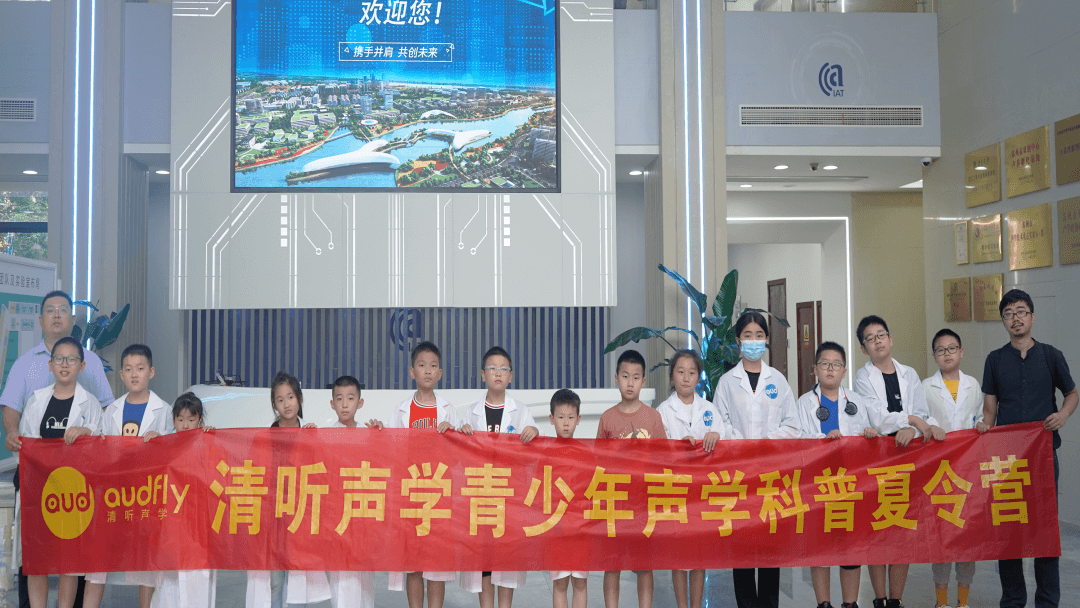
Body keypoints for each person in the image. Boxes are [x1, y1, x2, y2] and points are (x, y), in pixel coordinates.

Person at [1, 291, 113, 608]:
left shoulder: (91, 369)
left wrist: (90, 433)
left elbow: (107, 420)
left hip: (76, 486)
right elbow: (14, 415)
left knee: (71, 555)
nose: (57, 315)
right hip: (37, 482)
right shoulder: (27, 373)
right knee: (35, 553)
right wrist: (13, 435)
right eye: (50, 310)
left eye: (63, 310)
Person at [977, 289, 1076, 608]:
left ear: (1032, 316)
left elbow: (1072, 393)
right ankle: (1013, 600)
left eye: (1021, 311)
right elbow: (989, 409)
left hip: (1042, 458)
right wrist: (983, 425)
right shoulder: (994, 360)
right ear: (1003, 321)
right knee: (1008, 531)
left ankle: (1047, 601)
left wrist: (1063, 414)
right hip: (1005, 461)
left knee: (1045, 529)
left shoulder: (1051, 355)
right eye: (1008, 313)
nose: (1015, 318)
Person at [852, 315, 944, 608]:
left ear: (890, 339)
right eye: (870, 338)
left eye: (881, 335)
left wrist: (914, 427)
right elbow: (877, 417)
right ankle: (879, 598)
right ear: (864, 348)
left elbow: (922, 413)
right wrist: (911, 421)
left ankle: (896, 599)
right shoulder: (863, 377)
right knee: (878, 527)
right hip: (878, 459)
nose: (877, 341)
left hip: (908, 458)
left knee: (902, 529)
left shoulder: (910, 374)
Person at [712, 311, 800, 608]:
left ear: (766, 340)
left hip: (771, 476)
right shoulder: (727, 382)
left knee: (769, 545)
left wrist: (765, 443)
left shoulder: (778, 380)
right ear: (738, 341)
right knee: (743, 548)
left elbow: (793, 425)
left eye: (759, 335)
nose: (753, 341)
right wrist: (741, 444)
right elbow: (719, 423)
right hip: (739, 476)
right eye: (747, 336)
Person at [84, 344, 174, 608]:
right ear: (121, 374)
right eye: (128, 369)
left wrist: (162, 440)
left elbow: (176, 447)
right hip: (114, 496)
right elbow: (99, 449)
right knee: (97, 563)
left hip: (146, 496)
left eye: (140, 368)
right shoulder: (111, 410)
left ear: (151, 372)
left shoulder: (164, 410)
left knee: (147, 566)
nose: (134, 374)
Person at [794, 341, 879, 608]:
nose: (830, 369)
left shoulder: (856, 400)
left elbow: (866, 435)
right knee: (819, 548)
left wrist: (869, 433)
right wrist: (822, 439)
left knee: (850, 548)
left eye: (836, 364)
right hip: (818, 484)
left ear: (844, 370)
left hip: (851, 484)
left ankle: (850, 603)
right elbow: (797, 440)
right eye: (824, 364)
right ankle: (824, 603)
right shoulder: (804, 402)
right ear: (815, 369)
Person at [459, 346, 540, 608]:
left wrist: (534, 432)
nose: (498, 373)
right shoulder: (471, 413)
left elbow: (534, 452)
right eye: (492, 368)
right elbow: (459, 456)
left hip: (508, 495)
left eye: (503, 369)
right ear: (483, 374)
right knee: (484, 560)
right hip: (481, 495)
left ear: (511, 376)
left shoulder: (521, 412)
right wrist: (462, 434)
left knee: (506, 558)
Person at [385, 341, 460, 607]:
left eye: (433, 366)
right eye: (421, 365)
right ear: (412, 371)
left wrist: (453, 434)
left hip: (438, 494)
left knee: (437, 562)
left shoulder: (449, 410)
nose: (427, 370)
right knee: (413, 562)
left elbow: (459, 455)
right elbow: (389, 449)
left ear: (440, 373)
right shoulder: (402, 410)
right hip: (411, 494)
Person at [247, 371, 328, 608]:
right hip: (271, 517)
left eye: (290, 397)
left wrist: (314, 439)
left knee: (297, 579)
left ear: (300, 398)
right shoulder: (264, 436)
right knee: (274, 580)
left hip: (299, 514)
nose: (286, 404)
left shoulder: (311, 433)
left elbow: (322, 472)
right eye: (280, 400)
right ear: (274, 404)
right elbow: (253, 472)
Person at [655, 349, 724, 608]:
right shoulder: (663, 411)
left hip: (703, 492)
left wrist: (716, 436)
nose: (686, 378)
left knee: (699, 554)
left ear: (699, 377)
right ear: (672, 376)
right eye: (680, 372)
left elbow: (727, 446)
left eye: (692, 373)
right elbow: (657, 451)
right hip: (676, 491)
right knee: (679, 555)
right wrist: (677, 447)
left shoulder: (709, 409)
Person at [596, 349, 664, 608]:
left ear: (643, 381)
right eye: (625, 376)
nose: (630, 382)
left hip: (643, 503)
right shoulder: (608, 418)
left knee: (644, 566)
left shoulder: (653, 417)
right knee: (611, 564)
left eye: (636, 377)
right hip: (614, 502)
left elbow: (664, 459)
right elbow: (597, 462)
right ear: (616, 378)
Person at [922, 329, 981, 608]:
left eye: (952, 348)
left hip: (968, 472)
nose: (947, 354)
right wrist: (929, 426)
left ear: (961, 352)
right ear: (934, 355)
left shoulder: (973, 385)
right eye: (941, 350)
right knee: (942, 540)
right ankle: (942, 601)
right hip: (940, 474)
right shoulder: (925, 387)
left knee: (968, 540)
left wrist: (982, 425)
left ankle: (963, 601)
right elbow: (918, 419)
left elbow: (979, 417)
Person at [149, 392, 217, 608]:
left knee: (197, 576)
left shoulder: (207, 442)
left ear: (200, 421)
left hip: (198, 522)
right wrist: (153, 440)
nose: (186, 425)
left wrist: (212, 439)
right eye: (180, 419)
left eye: (191, 419)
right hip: (171, 520)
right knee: (169, 578)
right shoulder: (165, 443)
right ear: (173, 421)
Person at [324, 375, 379, 608]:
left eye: (350, 398)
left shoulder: (370, 434)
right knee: (341, 576)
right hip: (338, 515)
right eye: (339, 399)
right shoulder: (325, 437)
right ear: (332, 404)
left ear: (360, 402)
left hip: (363, 513)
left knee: (365, 577)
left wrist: (381, 435)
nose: (345, 404)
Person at [547, 389, 588, 608]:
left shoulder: (586, 453)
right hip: (557, 530)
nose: (565, 423)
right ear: (551, 418)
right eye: (561, 417)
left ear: (578, 419)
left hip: (581, 530)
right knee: (560, 583)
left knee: (580, 583)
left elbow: (592, 491)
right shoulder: (544, 453)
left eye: (571, 418)